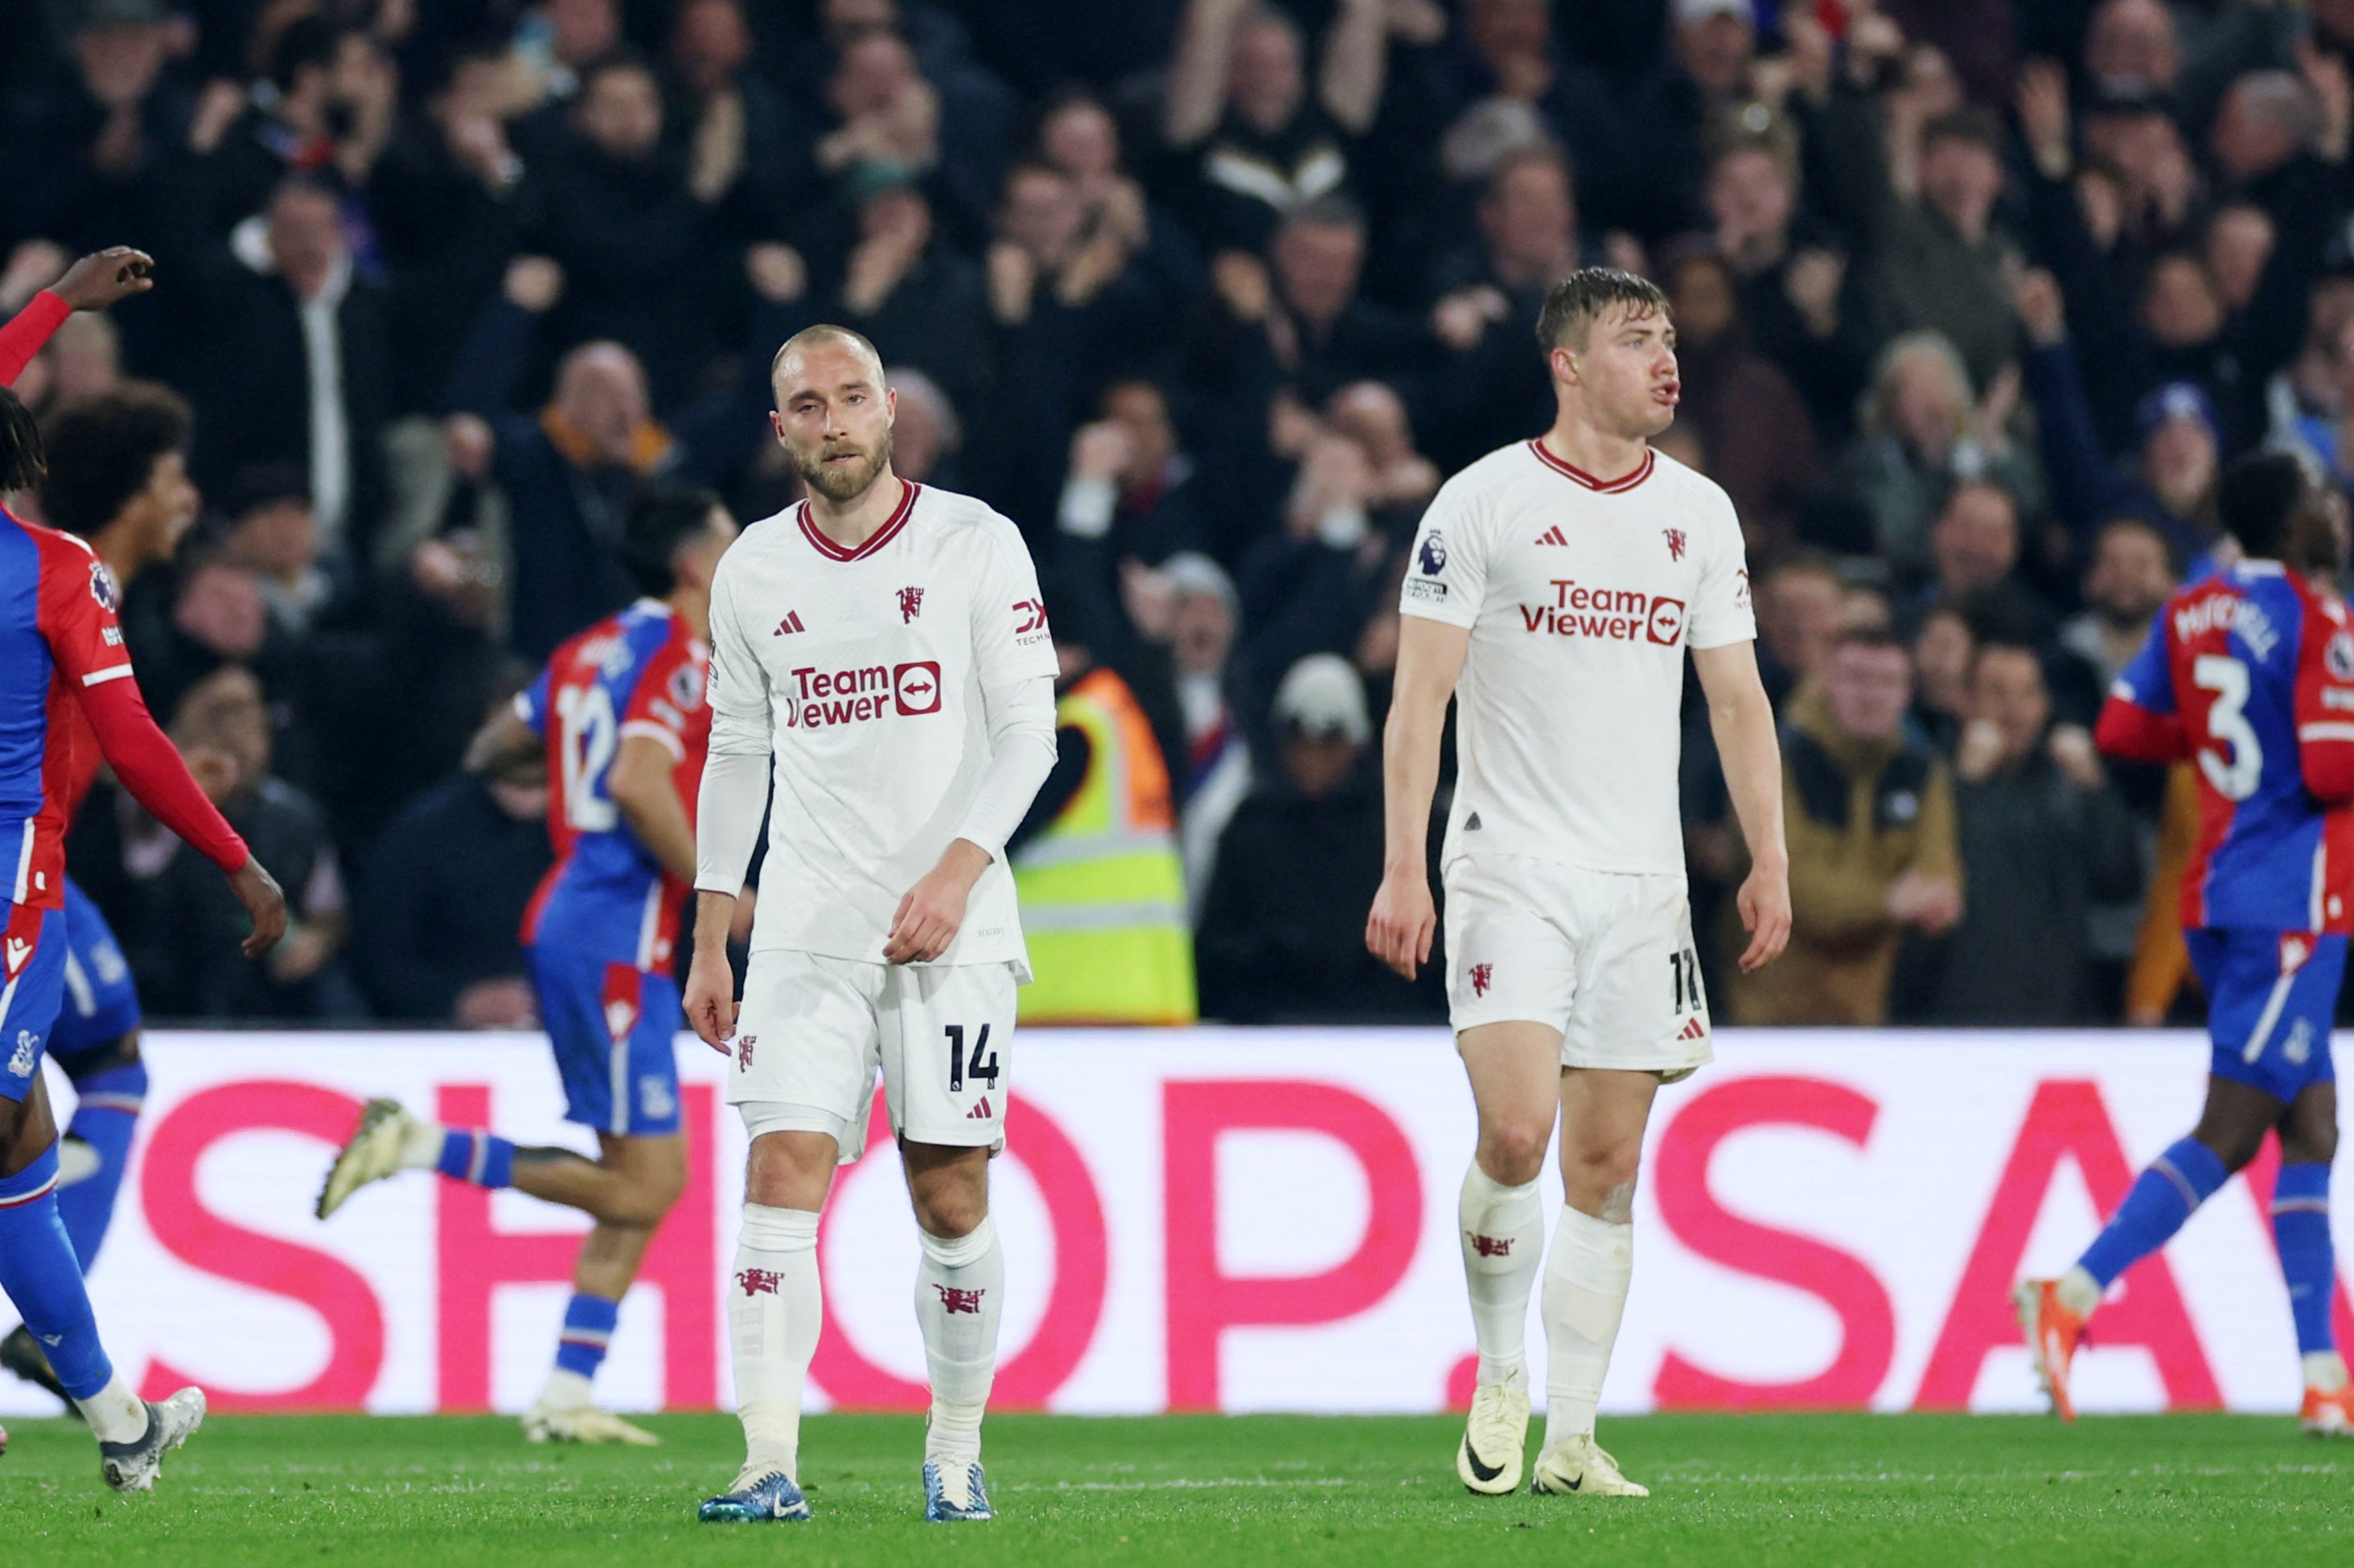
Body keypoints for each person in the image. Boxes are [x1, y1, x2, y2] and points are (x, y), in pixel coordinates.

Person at [1366, 269, 1790, 1498]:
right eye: (1633, 341)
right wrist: (1405, 864)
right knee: (1515, 1129)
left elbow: (1734, 699)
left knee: (1605, 1170)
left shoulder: (1699, 514)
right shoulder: (1481, 501)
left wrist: (1767, 854)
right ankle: (1500, 1373)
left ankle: (1571, 1434)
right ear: (1566, 362)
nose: (1665, 361)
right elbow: (1418, 701)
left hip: (1642, 882)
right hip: (1506, 867)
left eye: (1667, 340)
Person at [681, 324, 1059, 1525]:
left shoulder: (975, 540)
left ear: (889, 409)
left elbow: (1029, 737)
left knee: (949, 1194)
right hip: (802, 925)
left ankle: (953, 1449)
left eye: (852, 398)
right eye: (809, 404)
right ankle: (767, 1461)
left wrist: (953, 875)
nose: (834, 421)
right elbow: (737, 750)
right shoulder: (750, 569)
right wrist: (708, 929)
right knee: (776, 1169)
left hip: (956, 929)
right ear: (778, 425)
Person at [315, 487, 738, 1445]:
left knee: (637, 1175)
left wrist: (561, 786)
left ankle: (566, 1388)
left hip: (587, 923)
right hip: (617, 934)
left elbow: (493, 745)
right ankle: (417, 1145)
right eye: (725, 533)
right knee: (646, 1185)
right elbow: (635, 781)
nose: (740, 546)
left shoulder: (587, 650)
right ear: (691, 562)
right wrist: (724, 892)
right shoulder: (680, 656)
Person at [2019, 451, 2354, 1435]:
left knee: (2311, 1132)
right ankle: (2071, 1295)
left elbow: (2121, 729)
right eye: (2321, 502)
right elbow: (2334, 769)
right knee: (2231, 1129)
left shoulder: (2189, 607)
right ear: (2290, 525)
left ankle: (2322, 1377)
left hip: (2215, 887)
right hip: (2291, 903)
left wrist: (2215, 748)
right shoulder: (2318, 618)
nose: (2335, 513)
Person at [0, 382, 287, 1489]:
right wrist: (237, 855)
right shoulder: (61, 568)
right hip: (15, 885)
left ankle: (123, 1422)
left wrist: (57, 303)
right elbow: (130, 734)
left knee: (20, 1149)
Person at [1726, 626, 1960, 1025]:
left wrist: (1873, 901)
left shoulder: (1922, 772)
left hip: (1872, 1017)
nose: (1871, 695)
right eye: (1856, 678)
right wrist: (1888, 903)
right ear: (1826, 680)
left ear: (1908, 692)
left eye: (1887, 682)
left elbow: (1939, 892)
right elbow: (1792, 893)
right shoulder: (1773, 763)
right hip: (1770, 1016)